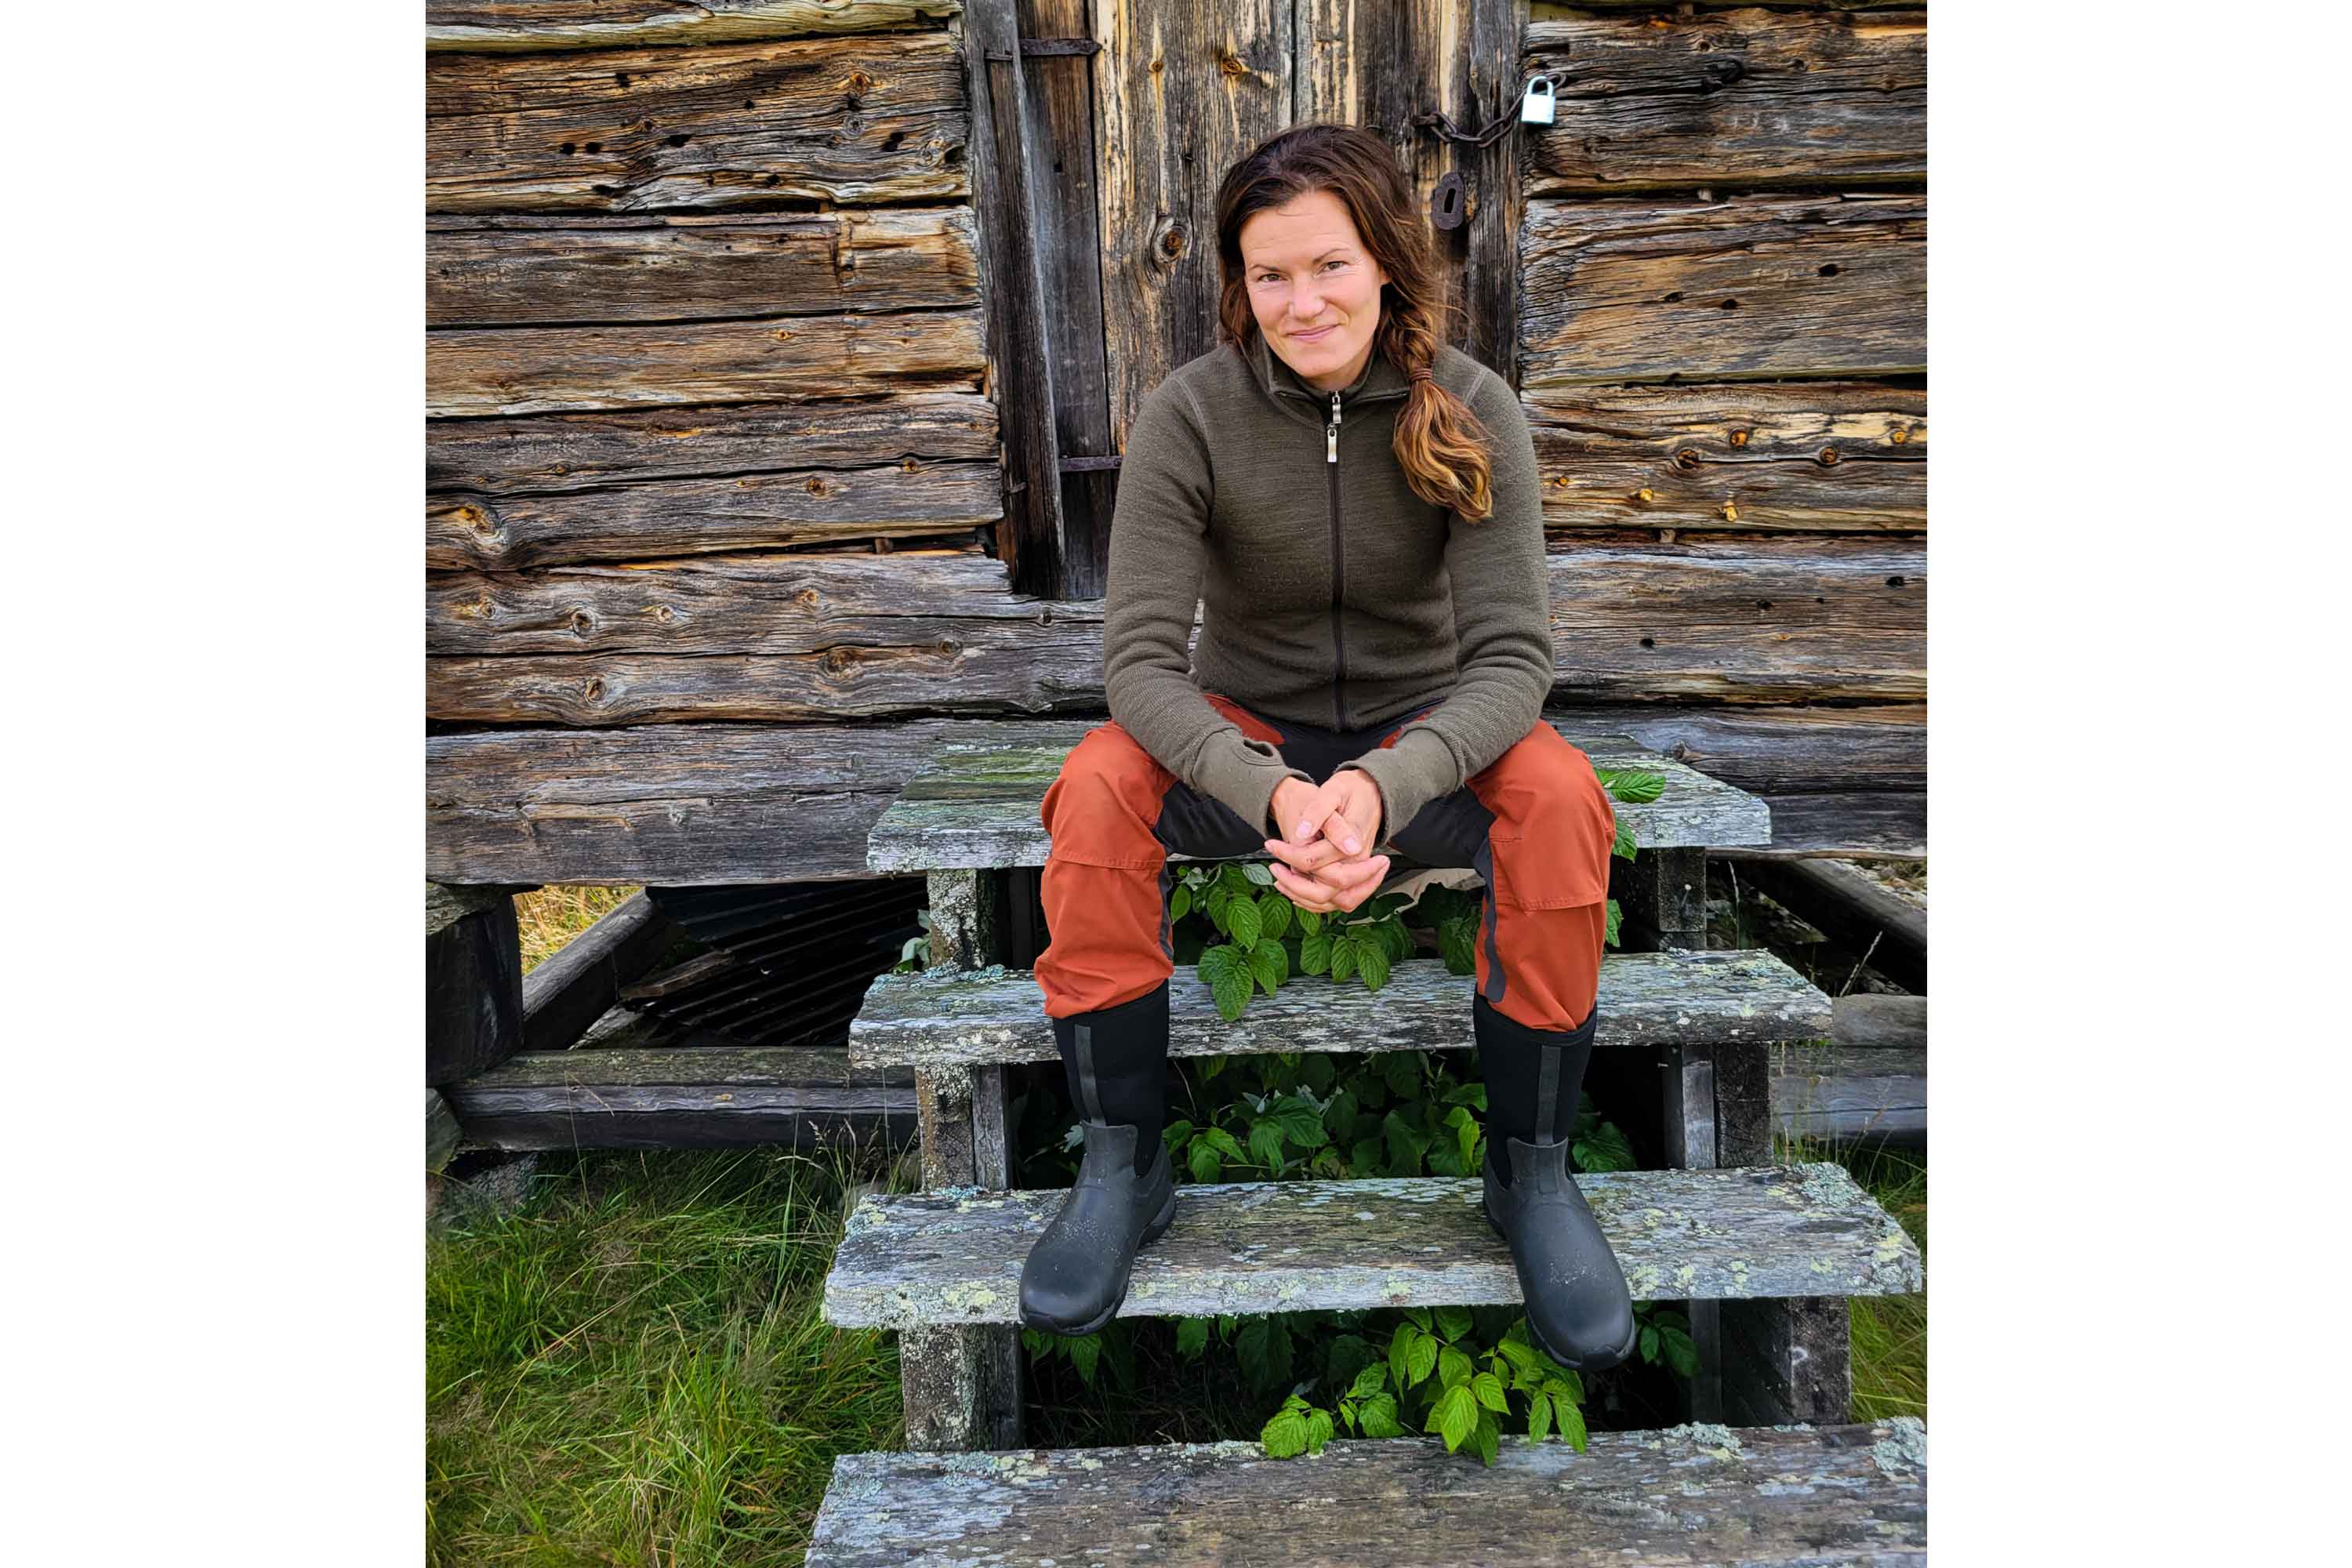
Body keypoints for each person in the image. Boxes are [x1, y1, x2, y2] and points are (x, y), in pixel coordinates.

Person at [1015, 124, 1634, 1372]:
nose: (1303, 303)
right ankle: (1125, 1161)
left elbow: (1516, 662)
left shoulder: (1474, 410)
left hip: (1425, 736)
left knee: (1564, 797)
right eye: (1269, 276)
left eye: (1330, 266)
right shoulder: (1191, 417)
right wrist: (1273, 791)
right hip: (1246, 736)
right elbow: (1137, 666)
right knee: (1091, 792)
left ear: (1388, 260)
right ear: (1238, 288)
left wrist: (1381, 786)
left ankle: (1532, 1171)